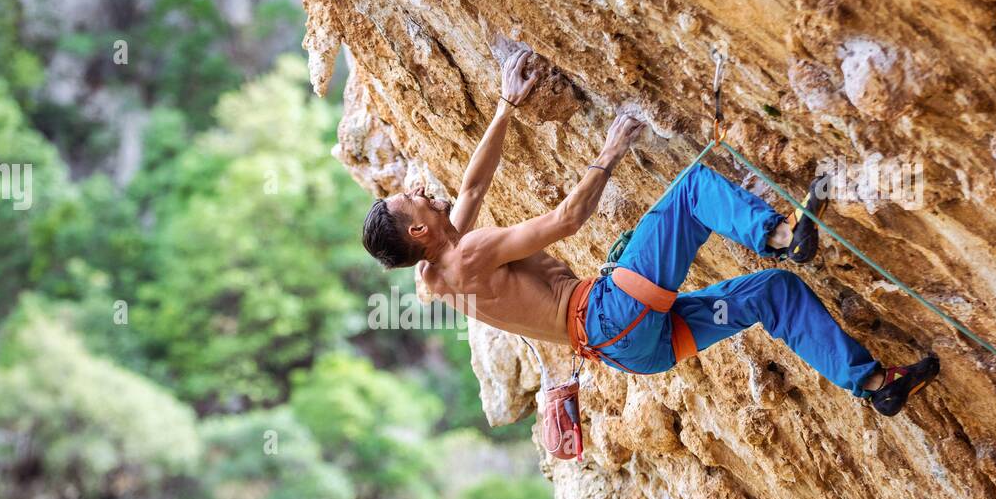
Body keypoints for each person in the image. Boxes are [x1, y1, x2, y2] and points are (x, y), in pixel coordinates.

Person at [360, 51, 939, 416]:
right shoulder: (473, 253)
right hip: (614, 312)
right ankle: (786, 237)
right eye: (416, 197)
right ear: (417, 226)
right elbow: (564, 220)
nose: (426, 190)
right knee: (691, 191)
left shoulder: (437, 274)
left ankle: (874, 383)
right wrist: (609, 152)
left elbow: (471, 191)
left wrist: (507, 105)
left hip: (639, 349)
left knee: (772, 296)